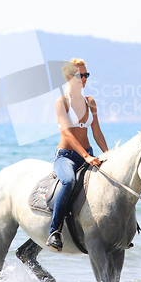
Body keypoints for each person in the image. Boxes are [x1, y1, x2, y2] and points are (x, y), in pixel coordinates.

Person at [46, 58, 109, 251]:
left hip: (87, 153)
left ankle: (118, 229)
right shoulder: (61, 102)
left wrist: (108, 154)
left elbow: (96, 132)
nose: (83, 78)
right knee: (69, 182)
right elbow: (67, 133)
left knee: (112, 180)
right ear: (68, 77)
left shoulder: (91, 102)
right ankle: (54, 231)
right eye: (79, 75)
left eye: (86, 75)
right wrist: (86, 157)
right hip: (66, 156)